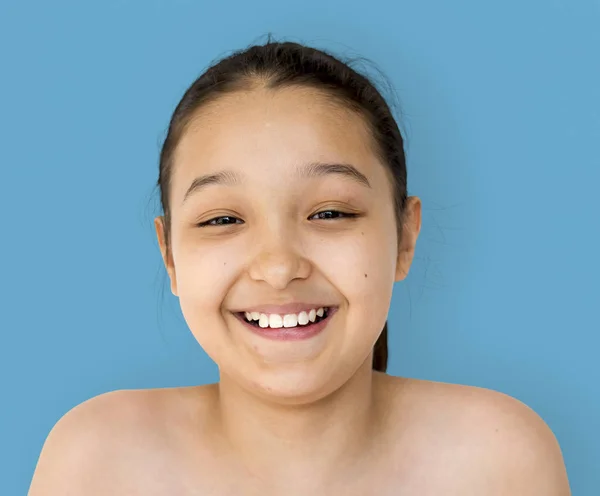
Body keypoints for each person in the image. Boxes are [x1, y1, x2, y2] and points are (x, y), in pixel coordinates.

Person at [29, 38, 571, 495]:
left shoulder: (498, 462)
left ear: (405, 236)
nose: (278, 266)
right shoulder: (97, 463)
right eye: (222, 219)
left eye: (330, 212)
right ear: (169, 256)